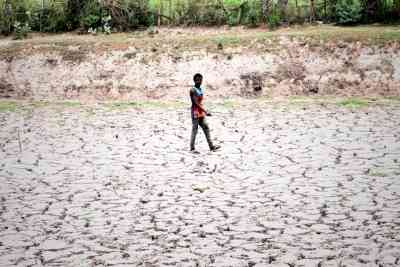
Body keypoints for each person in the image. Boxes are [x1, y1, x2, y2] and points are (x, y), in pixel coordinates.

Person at [190, 73, 221, 153]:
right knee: (195, 130)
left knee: (206, 128)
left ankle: (211, 146)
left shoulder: (199, 89)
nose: (199, 81)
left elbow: (199, 102)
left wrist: (203, 111)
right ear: (194, 80)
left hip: (200, 111)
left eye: (200, 80)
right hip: (195, 112)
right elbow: (196, 103)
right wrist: (205, 111)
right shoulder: (193, 90)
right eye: (197, 80)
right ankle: (192, 148)